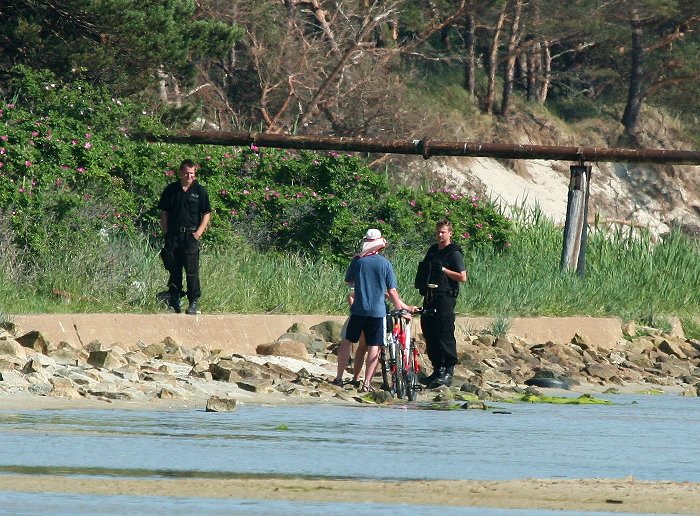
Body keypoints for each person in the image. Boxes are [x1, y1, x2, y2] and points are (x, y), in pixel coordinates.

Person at [332, 229, 415, 392]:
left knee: (347, 341)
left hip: (358, 309)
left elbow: (349, 281)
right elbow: (392, 292)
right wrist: (402, 308)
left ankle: (339, 378)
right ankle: (366, 383)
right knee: (374, 346)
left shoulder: (358, 261)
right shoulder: (385, 264)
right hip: (377, 312)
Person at [418, 219, 467, 388]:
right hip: (430, 295)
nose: (440, 235)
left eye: (443, 232)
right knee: (429, 331)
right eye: (438, 231)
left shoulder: (453, 253)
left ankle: (448, 370)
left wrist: (445, 270)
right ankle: (437, 369)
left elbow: (462, 277)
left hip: (445, 297)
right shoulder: (433, 250)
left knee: (444, 332)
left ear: (450, 233)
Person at [158, 159, 212, 315]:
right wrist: (166, 232)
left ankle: (193, 302)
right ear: (180, 173)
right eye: (187, 173)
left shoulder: (200, 191)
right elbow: (164, 213)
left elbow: (206, 214)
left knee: (191, 271)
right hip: (174, 235)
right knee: (174, 270)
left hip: (190, 236)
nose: (189, 176)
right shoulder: (171, 190)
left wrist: (198, 233)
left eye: (192, 174)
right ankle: (174, 301)